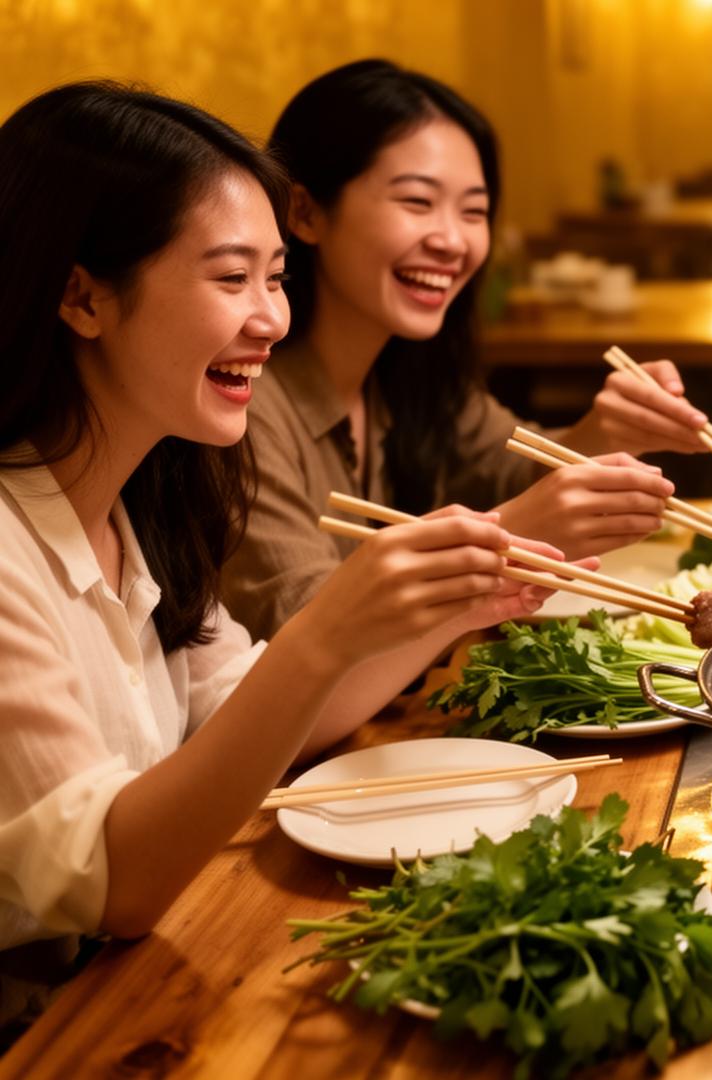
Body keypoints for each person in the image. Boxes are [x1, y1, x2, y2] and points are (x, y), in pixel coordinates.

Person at [0, 83, 568, 1028]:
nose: (271, 318)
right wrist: (324, 635)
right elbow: (114, 884)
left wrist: (458, 604)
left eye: (276, 278)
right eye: (231, 279)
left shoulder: (147, 506)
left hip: (138, 988)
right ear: (80, 295)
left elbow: (277, 718)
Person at [221, 59, 707, 638]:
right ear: (304, 212)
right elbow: (297, 627)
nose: (452, 240)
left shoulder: (404, 371)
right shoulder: (241, 405)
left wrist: (603, 431)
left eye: (473, 212)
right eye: (417, 202)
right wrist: (511, 528)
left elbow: (506, 468)